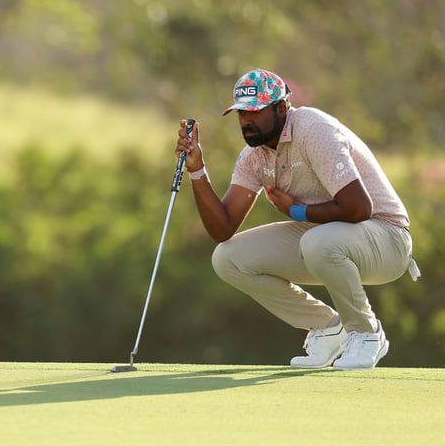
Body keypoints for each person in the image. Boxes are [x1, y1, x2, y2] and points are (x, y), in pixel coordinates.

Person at [175, 68, 419, 370]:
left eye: (255, 112)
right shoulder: (255, 156)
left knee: (317, 241)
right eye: (241, 114)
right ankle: (328, 328)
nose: (247, 122)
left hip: (387, 238)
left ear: (281, 108)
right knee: (227, 258)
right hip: (325, 240)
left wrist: (297, 211)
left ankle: (367, 333)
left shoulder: (313, 129)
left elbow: (359, 208)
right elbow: (223, 228)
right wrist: (197, 170)